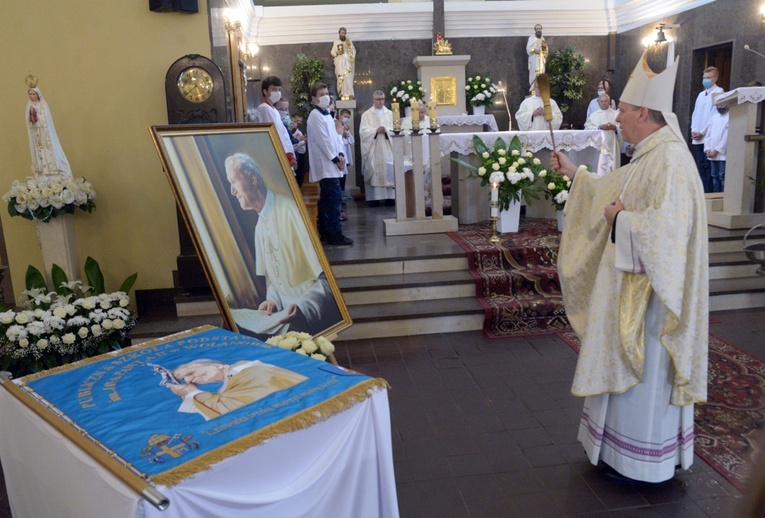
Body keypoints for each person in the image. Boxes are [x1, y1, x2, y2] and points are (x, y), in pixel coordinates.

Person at [550, 50, 708, 484]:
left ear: (642, 110)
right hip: (632, 291)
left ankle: (642, 463)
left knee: (646, 381)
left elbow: (669, 234)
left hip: (654, 303)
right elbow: (613, 189)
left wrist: (621, 220)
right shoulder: (649, 154)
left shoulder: (671, 160)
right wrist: (575, 175)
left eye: (621, 109)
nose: (616, 116)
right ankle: (617, 455)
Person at [224, 152, 341, 333]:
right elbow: (273, 280)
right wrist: (272, 300)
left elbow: (325, 280)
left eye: (233, 181)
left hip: (309, 316)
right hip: (283, 318)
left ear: (252, 178)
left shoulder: (290, 211)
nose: (232, 191)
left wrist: (302, 307)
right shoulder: (260, 225)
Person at [167, 358, 307, 421]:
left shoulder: (248, 372)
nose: (189, 380)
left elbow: (232, 407)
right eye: (185, 379)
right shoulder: (234, 380)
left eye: (190, 373)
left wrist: (191, 393)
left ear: (217, 365)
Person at [306, 82, 353, 246]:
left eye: (327, 93)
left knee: (328, 199)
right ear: (314, 99)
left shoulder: (327, 115)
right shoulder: (314, 116)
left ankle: (326, 232)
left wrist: (340, 155)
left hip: (334, 163)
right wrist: (335, 160)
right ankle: (334, 233)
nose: (325, 97)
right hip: (326, 164)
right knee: (334, 198)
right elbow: (323, 141)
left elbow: (335, 137)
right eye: (321, 95)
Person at [25, 80, 72, 178]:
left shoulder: (43, 105)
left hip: (44, 133)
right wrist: (31, 118)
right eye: (30, 94)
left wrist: (36, 115)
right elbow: (28, 120)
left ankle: (52, 169)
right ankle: (41, 171)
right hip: (35, 133)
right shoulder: (29, 106)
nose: (32, 96)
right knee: (38, 151)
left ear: (38, 94)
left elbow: (46, 119)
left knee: (47, 150)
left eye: (33, 94)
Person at [254, 76, 297, 172]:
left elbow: (283, 133)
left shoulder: (272, 109)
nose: (277, 93)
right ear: (265, 92)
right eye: (274, 89)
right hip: (275, 155)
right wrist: (287, 155)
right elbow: (275, 133)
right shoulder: (264, 108)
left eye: (279, 90)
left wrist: (290, 153)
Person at [690, 66, 723, 193]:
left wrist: (702, 132)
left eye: (708, 78)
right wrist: (693, 129)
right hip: (696, 136)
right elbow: (695, 114)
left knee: (708, 167)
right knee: (700, 166)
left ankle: (708, 193)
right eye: (704, 78)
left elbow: (713, 115)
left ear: (715, 78)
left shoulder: (719, 92)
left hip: (708, 136)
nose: (705, 80)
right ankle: (701, 192)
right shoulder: (700, 94)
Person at [359, 90, 395, 205]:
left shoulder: (391, 114)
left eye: (383, 99)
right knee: (374, 170)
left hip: (387, 148)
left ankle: (390, 198)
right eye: (378, 99)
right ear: (373, 100)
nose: (381, 101)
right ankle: (374, 199)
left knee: (389, 170)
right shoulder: (366, 114)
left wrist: (387, 131)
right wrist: (375, 131)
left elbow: (396, 130)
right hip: (374, 149)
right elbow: (363, 132)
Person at [584, 93, 621, 174]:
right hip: (599, 145)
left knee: (613, 166)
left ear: (609, 102)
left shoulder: (616, 114)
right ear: (598, 102)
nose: (603, 103)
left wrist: (615, 127)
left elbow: (624, 127)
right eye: (601, 101)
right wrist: (599, 127)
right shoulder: (593, 115)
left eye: (605, 101)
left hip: (613, 144)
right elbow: (587, 129)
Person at [705, 101, 729, 193]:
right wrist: (707, 149)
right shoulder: (714, 117)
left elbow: (726, 137)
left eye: (722, 105)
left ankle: (722, 196)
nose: (720, 107)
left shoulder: (730, 117)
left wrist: (717, 150)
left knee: (722, 176)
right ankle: (715, 194)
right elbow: (708, 134)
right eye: (718, 105)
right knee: (714, 175)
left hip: (722, 153)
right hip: (711, 153)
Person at [331, 27, 356, 100]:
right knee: (341, 77)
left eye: (344, 33)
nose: (343, 34)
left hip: (347, 61)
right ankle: (342, 93)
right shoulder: (336, 42)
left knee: (347, 76)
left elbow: (353, 51)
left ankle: (349, 93)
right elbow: (332, 52)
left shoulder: (349, 41)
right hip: (339, 62)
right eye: (342, 33)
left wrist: (349, 49)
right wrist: (337, 53)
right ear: (339, 33)